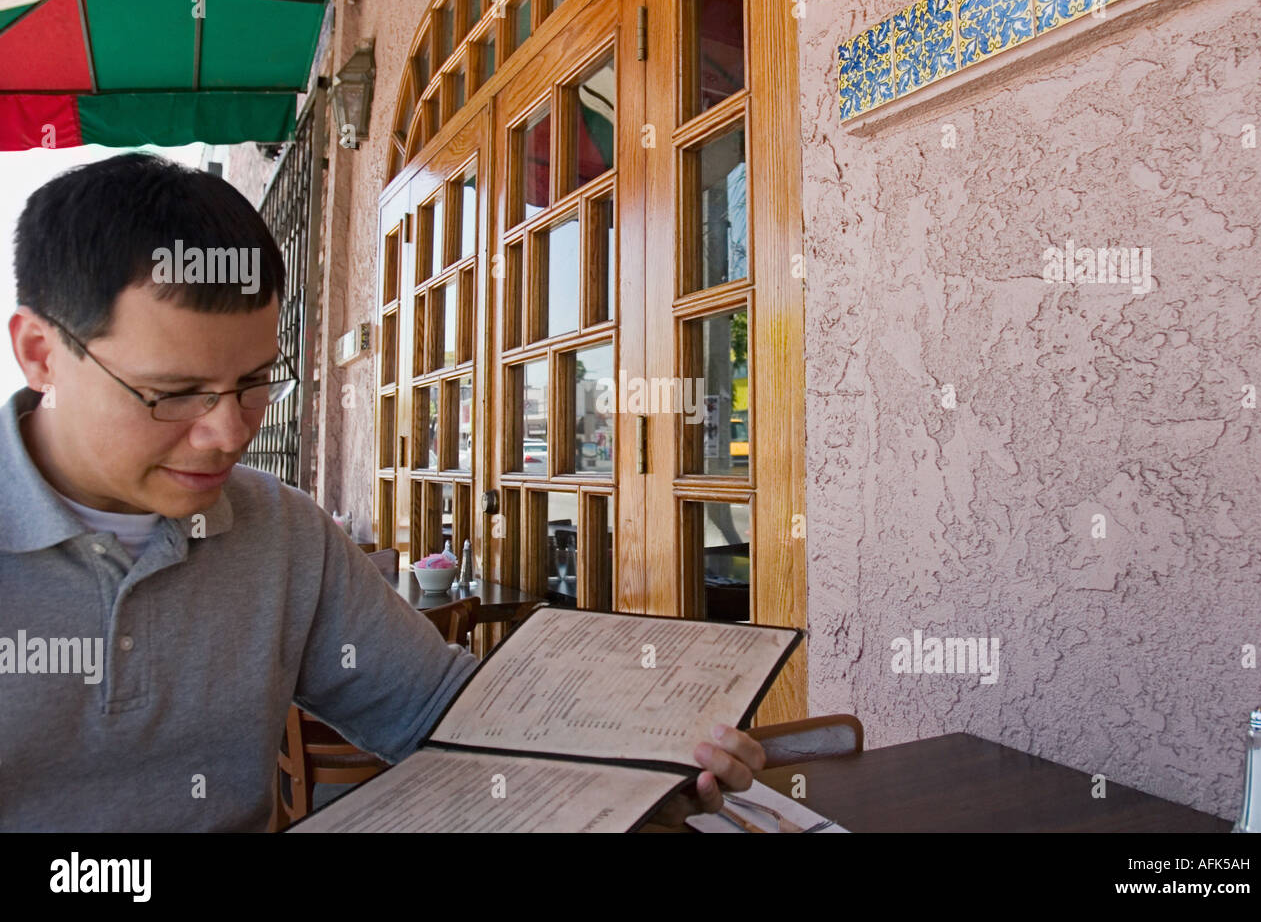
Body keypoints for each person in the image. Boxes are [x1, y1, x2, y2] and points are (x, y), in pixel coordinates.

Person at [1, 152, 763, 831]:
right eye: (174, 392)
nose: (228, 433)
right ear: (41, 353)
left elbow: (443, 713)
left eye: (255, 383)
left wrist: (645, 760)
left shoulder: (280, 533)